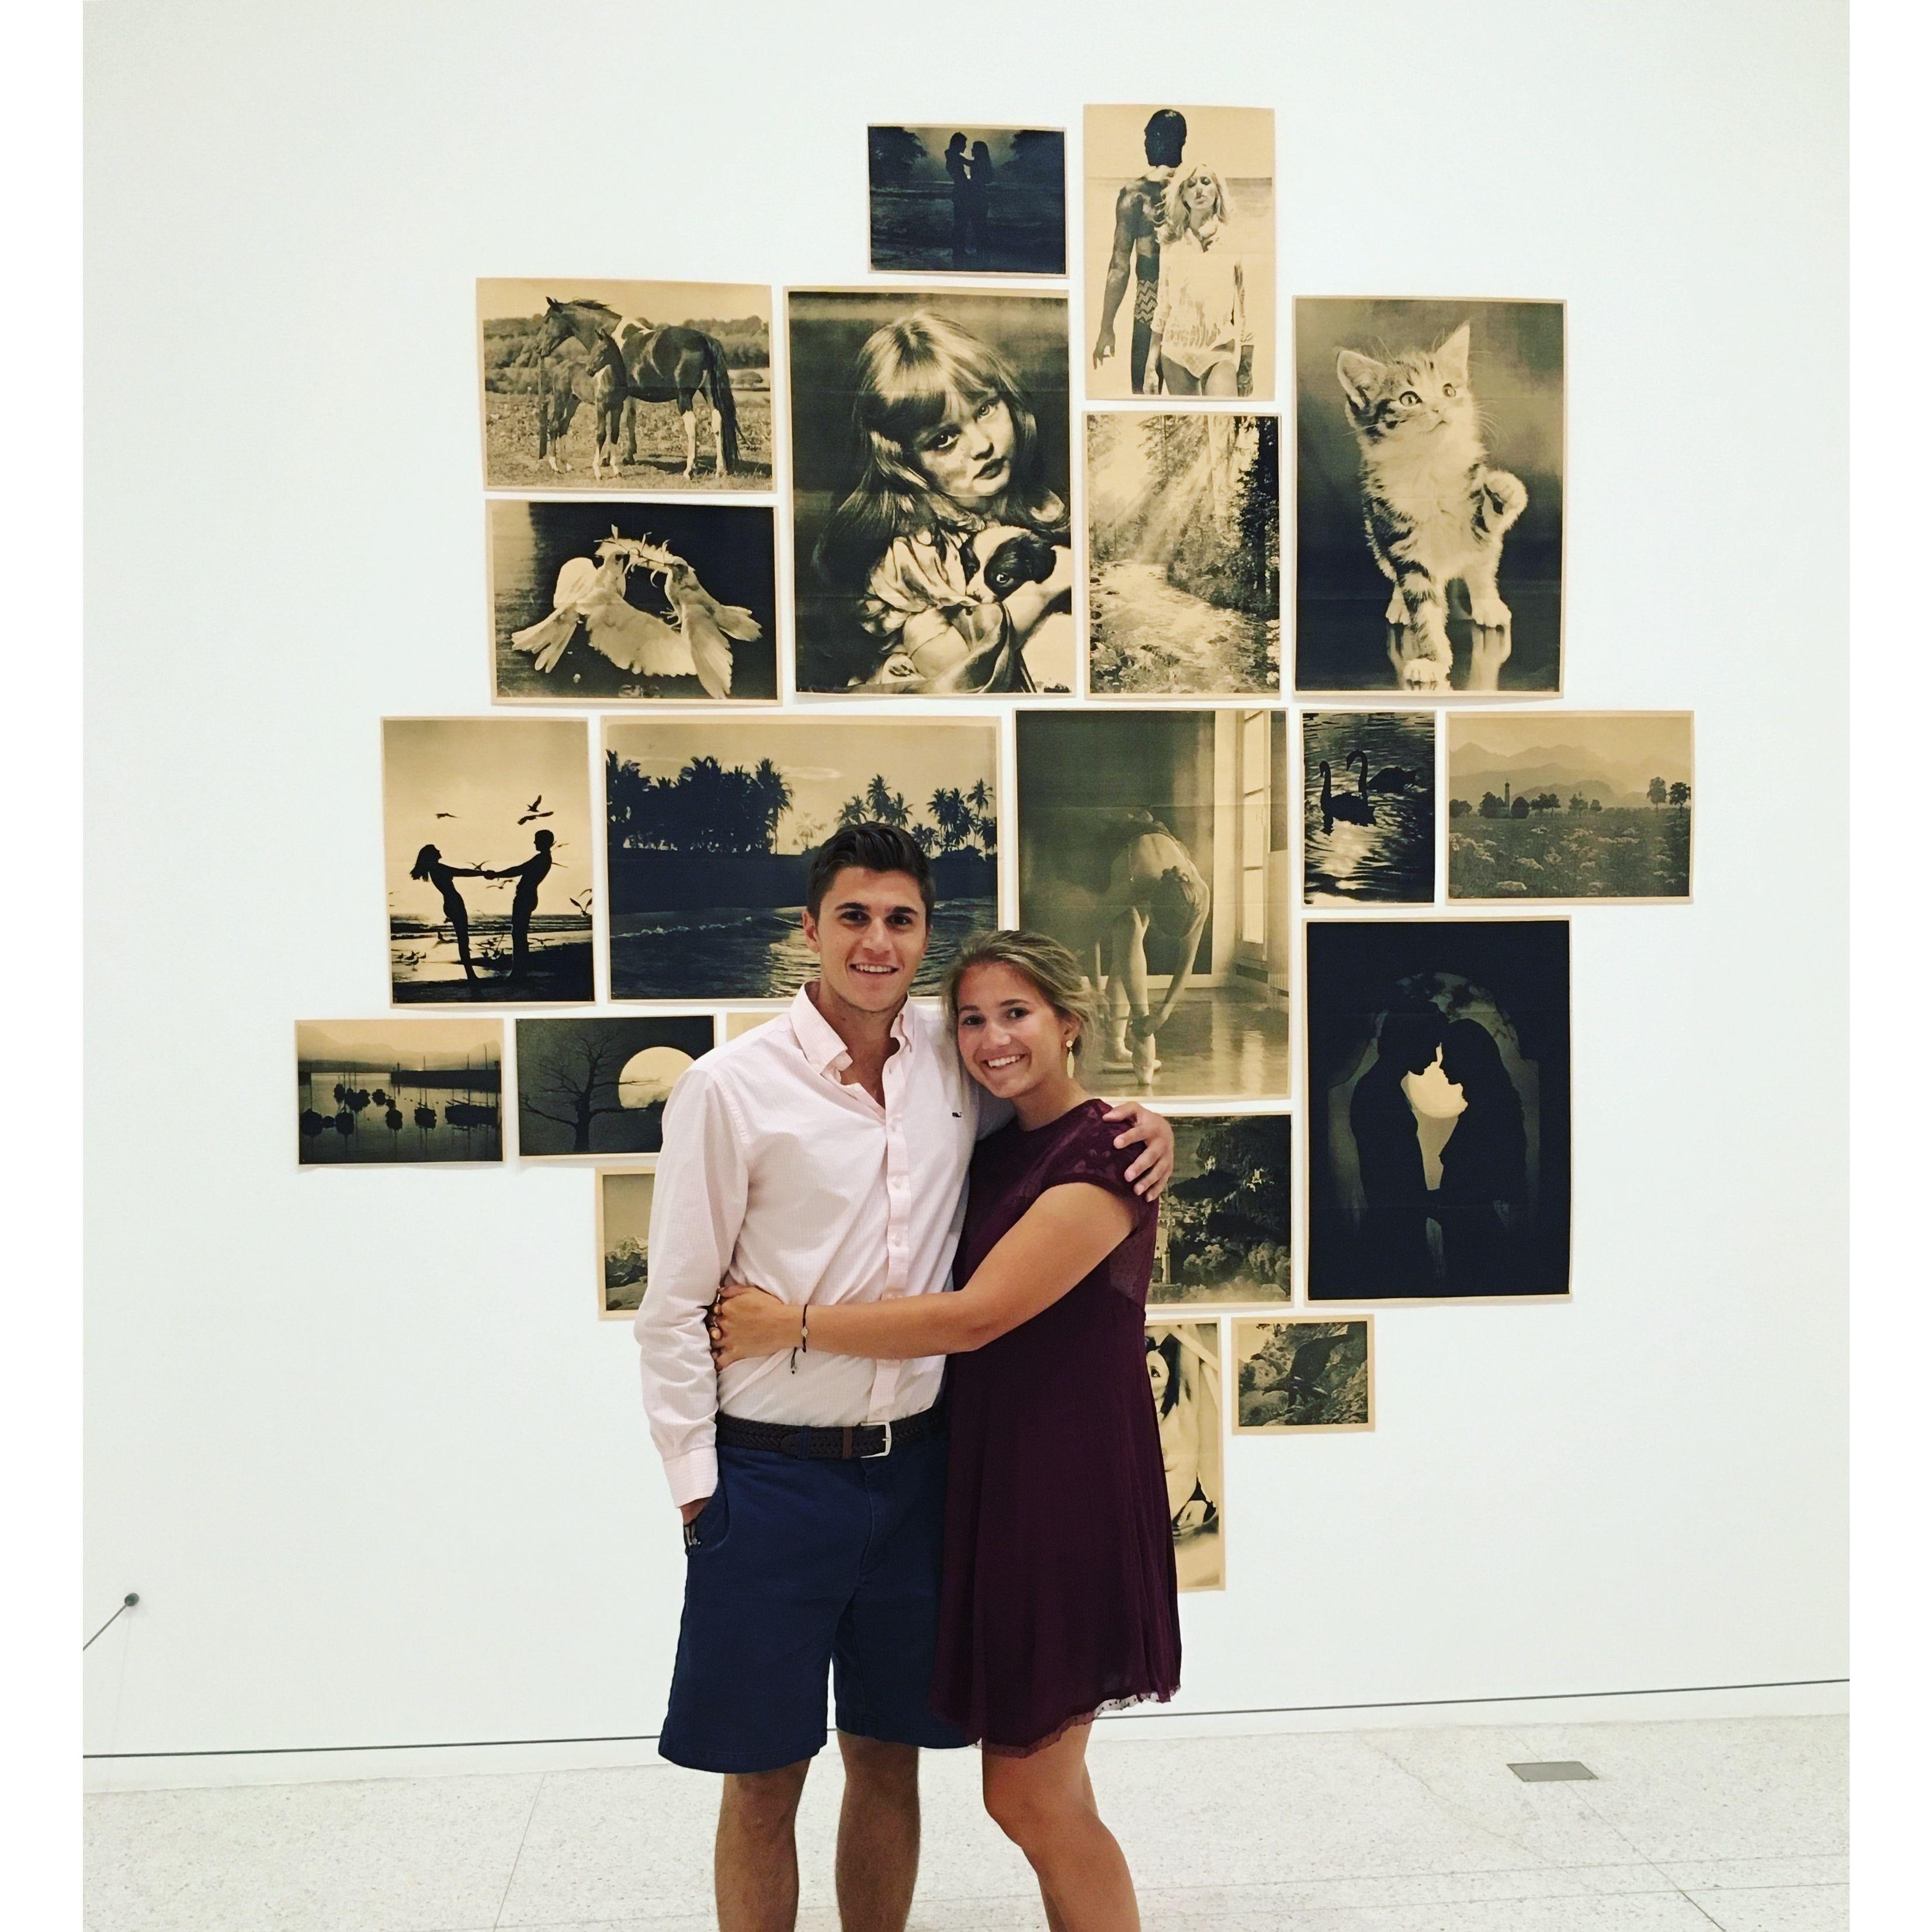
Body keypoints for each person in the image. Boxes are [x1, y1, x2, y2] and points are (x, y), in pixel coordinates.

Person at [636, 825, 1173, 1932]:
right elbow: (675, 1303)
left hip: (920, 1479)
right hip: (770, 1481)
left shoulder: (951, 1060)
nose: (875, 942)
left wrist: (1148, 1118)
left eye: (899, 920)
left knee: (889, 1759)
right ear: (809, 928)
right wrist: (697, 1489)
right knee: (762, 1778)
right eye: (853, 916)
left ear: (924, 935)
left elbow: (1057, 1102)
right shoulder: (730, 1088)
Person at [811, 311, 1072, 692]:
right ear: (905, 460)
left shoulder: (1034, 503)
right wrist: (1045, 590)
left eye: (985, 409)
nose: (982, 445)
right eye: (944, 439)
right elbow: (951, 667)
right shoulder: (916, 553)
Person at [1093, 810, 1211, 1085]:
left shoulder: (1200, 895)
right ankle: (1133, 1035)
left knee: (1127, 951)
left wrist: (1164, 1013)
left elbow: (1186, 963)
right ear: (1152, 905)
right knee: (1130, 927)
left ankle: (1122, 1042)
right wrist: (1096, 993)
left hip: (1158, 841)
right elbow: (1093, 936)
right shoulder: (1130, 887)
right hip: (1114, 849)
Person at [1348, 1007, 1445, 1293]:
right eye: (1431, 1046)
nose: (1433, 1058)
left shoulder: (1381, 1088)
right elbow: (1389, 1179)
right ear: (1411, 1041)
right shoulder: (1378, 1093)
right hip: (1395, 1233)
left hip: (1398, 1226)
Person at [1091, 108, 1188, 394]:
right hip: (1191, 303)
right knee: (1193, 403)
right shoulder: (1199, 188)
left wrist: (1106, 327)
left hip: (1150, 300)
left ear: (1159, 139)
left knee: (1143, 397)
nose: (1145, 144)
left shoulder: (1135, 194)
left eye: (1148, 137)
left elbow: (1119, 266)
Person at [1432, 1017, 1528, 1292]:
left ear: (1468, 1058)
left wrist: (1423, 1201)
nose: (1441, 1065)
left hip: (1475, 1241)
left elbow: (1473, 1190)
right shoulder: (1488, 1111)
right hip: (1471, 1237)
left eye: (1448, 1056)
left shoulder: (1487, 1116)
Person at [1144, 165, 1253, 399]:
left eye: (1205, 182)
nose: (1199, 190)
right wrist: (1151, 365)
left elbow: (1247, 307)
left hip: (1220, 349)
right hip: (1176, 352)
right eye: (1191, 185)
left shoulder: (1234, 240)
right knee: (1189, 423)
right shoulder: (1171, 243)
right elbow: (1163, 306)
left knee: (1223, 418)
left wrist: (1246, 364)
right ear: (1183, 195)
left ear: (1217, 190)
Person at [408, 843, 485, 985]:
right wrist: (483, 873)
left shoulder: (434, 869)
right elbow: (462, 872)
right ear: (432, 855)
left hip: (450, 903)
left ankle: (471, 974)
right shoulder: (438, 868)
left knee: (463, 939)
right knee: (463, 939)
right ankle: (471, 976)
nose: (439, 850)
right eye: (436, 850)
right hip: (454, 902)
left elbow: (461, 872)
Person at [484, 828, 554, 983]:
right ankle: (519, 972)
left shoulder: (541, 858)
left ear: (544, 842)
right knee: (519, 934)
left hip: (525, 897)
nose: (534, 842)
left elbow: (519, 870)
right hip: (528, 897)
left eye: (537, 839)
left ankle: (518, 973)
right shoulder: (545, 858)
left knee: (519, 934)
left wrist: (496, 874)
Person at [945, 133, 971, 268]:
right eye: (964, 144)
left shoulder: (953, 157)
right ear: (958, 144)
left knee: (960, 222)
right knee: (961, 223)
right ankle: (959, 251)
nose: (965, 147)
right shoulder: (955, 158)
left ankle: (958, 250)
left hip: (959, 193)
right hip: (961, 194)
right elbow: (969, 165)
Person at [966, 139, 994, 258]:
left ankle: (982, 251)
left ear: (979, 151)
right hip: (981, 197)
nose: (971, 150)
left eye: (974, 148)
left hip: (978, 198)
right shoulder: (981, 163)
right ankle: (983, 252)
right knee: (980, 225)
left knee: (978, 225)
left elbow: (966, 162)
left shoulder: (978, 164)